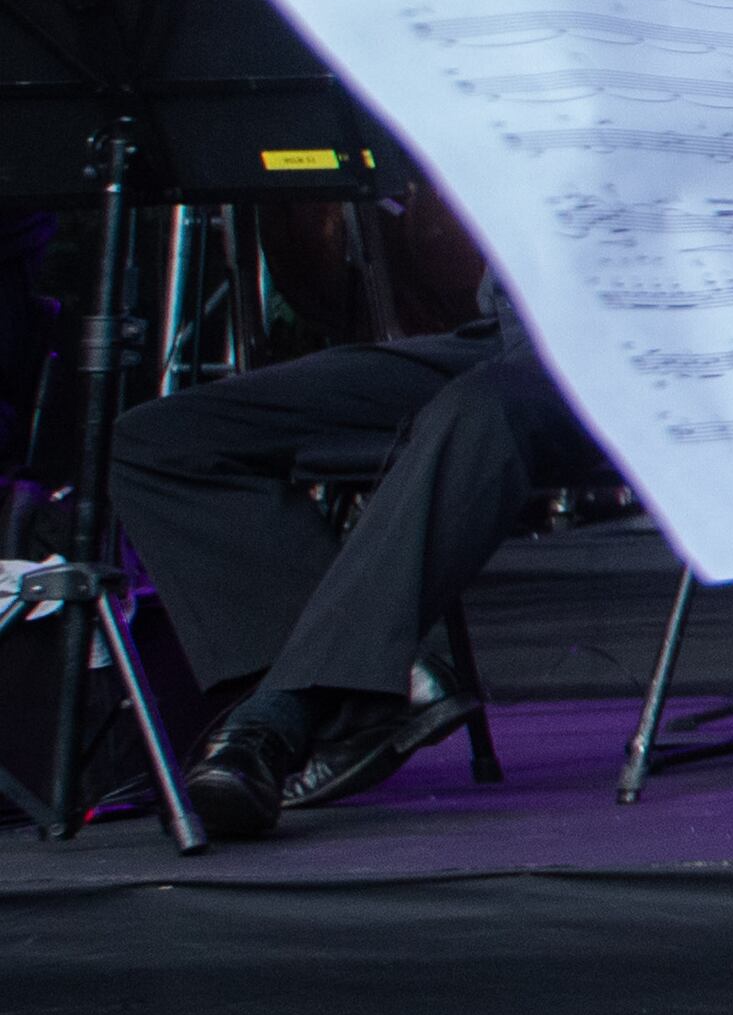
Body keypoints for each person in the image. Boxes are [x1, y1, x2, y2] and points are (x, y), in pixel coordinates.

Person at [115, 294, 606, 842]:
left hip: (638, 354)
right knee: (164, 438)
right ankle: (355, 694)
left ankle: (288, 712)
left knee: (482, 406)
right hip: (504, 336)